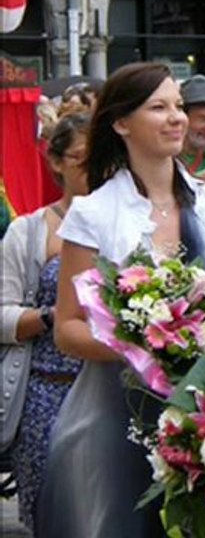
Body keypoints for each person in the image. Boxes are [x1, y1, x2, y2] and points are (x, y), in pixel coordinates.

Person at [36, 62, 205, 538]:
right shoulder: (94, 214)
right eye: (159, 108)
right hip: (118, 411)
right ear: (121, 122)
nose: (176, 118)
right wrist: (147, 346)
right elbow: (68, 328)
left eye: (177, 106)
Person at [2, 113, 89, 530]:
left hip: (109, 392)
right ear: (56, 162)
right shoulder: (27, 231)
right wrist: (54, 315)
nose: (96, 170)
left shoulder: (130, 225)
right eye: (81, 159)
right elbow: (2, 315)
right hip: (46, 394)